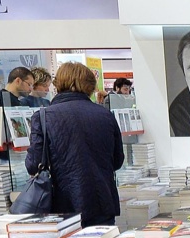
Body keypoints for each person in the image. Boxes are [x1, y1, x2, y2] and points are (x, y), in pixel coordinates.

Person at [25, 62, 124, 227]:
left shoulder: (43, 116)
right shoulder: (105, 115)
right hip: (101, 202)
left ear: (58, 83)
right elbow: (117, 161)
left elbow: (33, 165)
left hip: (61, 206)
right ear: (90, 85)